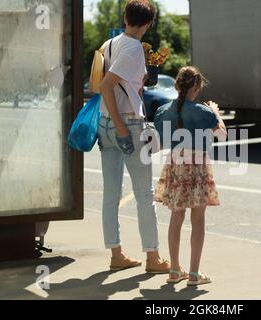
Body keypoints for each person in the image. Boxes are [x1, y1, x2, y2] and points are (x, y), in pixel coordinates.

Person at [98, 0, 169, 273]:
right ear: (149, 23)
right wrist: (124, 129)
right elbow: (105, 87)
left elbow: (109, 85)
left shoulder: (111, 43)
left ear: (126, 18)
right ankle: (153, 258)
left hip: (105, 124)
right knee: (144, 194)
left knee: (110, 194)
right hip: (125, 124)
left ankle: (116, 254)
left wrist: (142, 81)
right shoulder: (134, 47)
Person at [154, 66, 227, 286]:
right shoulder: (203, 112)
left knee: (176, 217)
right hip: (197, 164)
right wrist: (215, 112)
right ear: (195, 87)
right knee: (198, 219)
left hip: (176, 163)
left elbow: (158, 143)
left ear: (177, 85)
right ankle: (194, 274)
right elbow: (222, 136)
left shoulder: (163, 110)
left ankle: (175, 270)